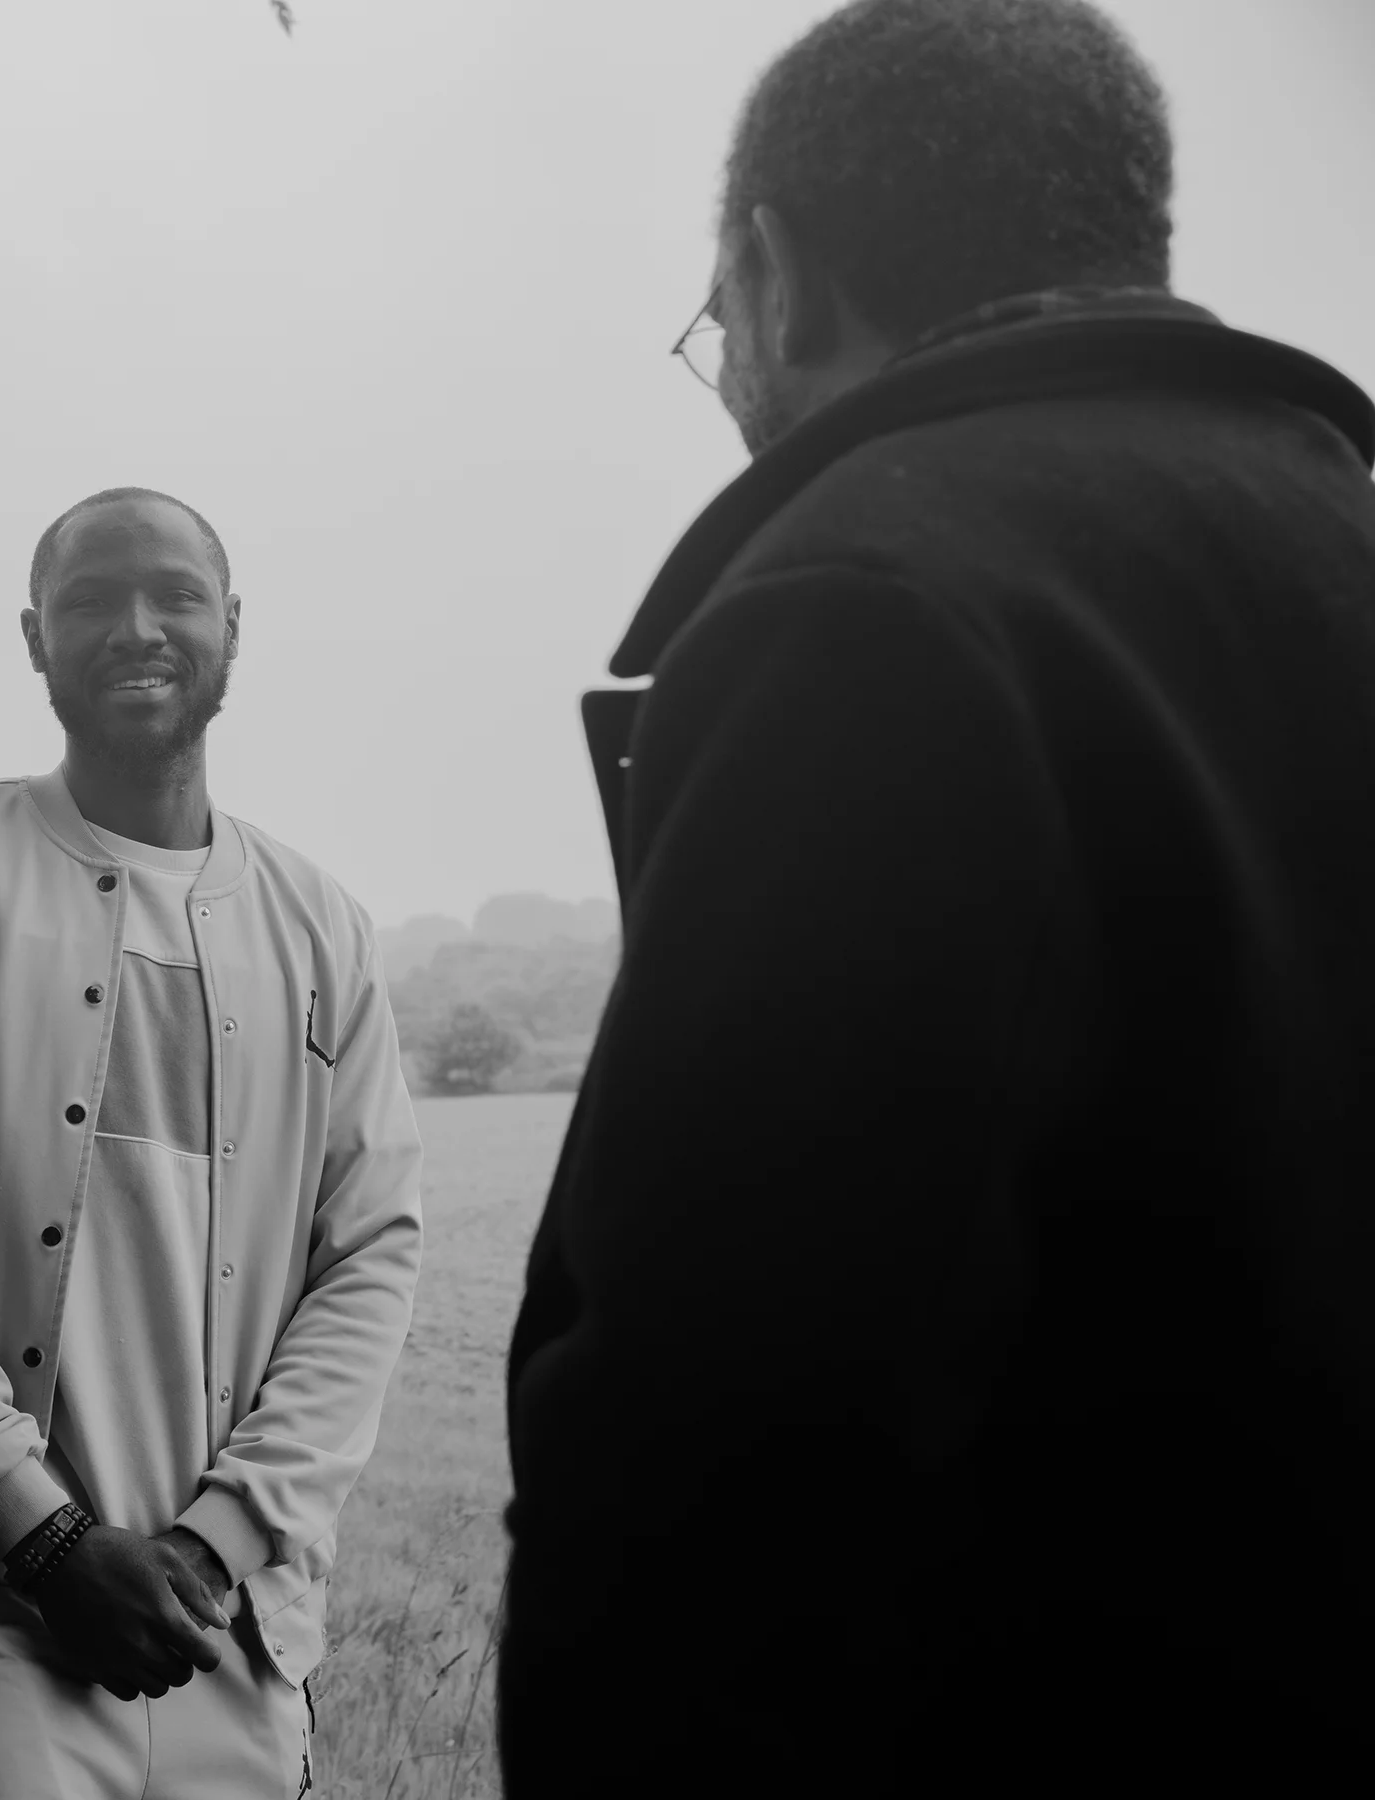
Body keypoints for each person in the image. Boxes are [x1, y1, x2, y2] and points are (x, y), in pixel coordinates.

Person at [501, 0, 1375, 1789]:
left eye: (716, 326)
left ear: (774, 274)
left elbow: (712, 1457)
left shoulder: (863, 611)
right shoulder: (1344, 533)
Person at [0, 488, 423, 1797]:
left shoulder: (322, 926)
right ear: (33, 638)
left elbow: (369, 1255)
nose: (134, 627)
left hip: (237, 1628)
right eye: (90, 601)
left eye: (174, 595)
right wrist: (48, 1545)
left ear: (232, 627)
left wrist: (218, 1543)